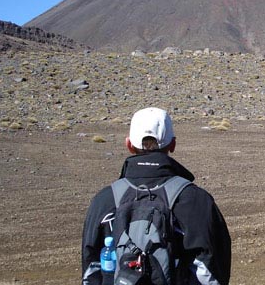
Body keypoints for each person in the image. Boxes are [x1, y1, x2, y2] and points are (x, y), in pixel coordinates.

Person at [82, 107, 231, 285]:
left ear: (129, 144)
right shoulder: (196, 200)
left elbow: (90, 268)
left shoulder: (104, 200)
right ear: (173, 144)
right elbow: (215, 267)